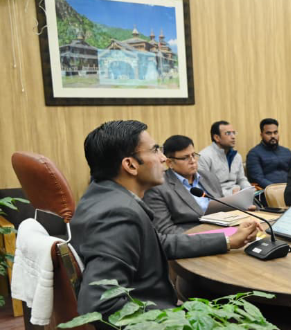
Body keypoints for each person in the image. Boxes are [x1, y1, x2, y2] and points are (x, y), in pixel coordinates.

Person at [71, 120, 260, 318]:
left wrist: (228, 240)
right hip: (155, 324)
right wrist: (174, 319)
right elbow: (100, 303)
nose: (163, 158)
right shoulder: (117, 215)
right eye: (155, 150)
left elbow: (158, 242)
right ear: (130, 165)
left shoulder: (103, 196)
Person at [144, 135, 224, 234]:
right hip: (193, 238)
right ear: (170, 163)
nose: (193, 161)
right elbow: (165, 230)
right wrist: (208, 236)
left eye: (193, 155)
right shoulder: (157, 187)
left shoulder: (210, 177)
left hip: (225, 230)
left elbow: (225, 210)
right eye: (185, 158)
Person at [198, 120, 252, 195]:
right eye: (228, 133)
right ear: (216, 137)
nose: (233, 137)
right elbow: (206, 186)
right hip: (218, 197)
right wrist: (231, 194)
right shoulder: (204, 156)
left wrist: (249, 189)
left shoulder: (236, 156)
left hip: (237, 194)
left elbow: (241, 179)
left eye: (234, 133)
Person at [246, 118, 291, 188]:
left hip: (289, 189)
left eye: (275, 132)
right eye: (268, 133)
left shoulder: (287, 152)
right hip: (267, 191)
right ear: (261, 135)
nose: (273, 136)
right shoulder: (254, 154)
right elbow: (258, 178)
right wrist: (276, 189)